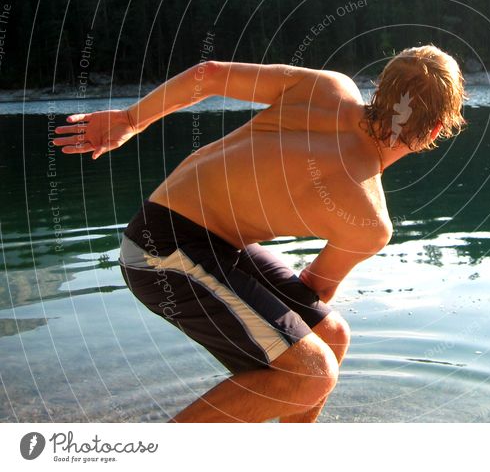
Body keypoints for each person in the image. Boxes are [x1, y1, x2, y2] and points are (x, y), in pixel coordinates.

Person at [54, 44, 467, 422]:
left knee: (331, 335)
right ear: (434, 131)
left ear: (382, 89)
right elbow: (316, 287)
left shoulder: (328, 88)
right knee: (312, 373)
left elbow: (210, 73)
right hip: (159, 252)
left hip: (207, 245)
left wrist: (130, 119)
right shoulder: (370, 220)